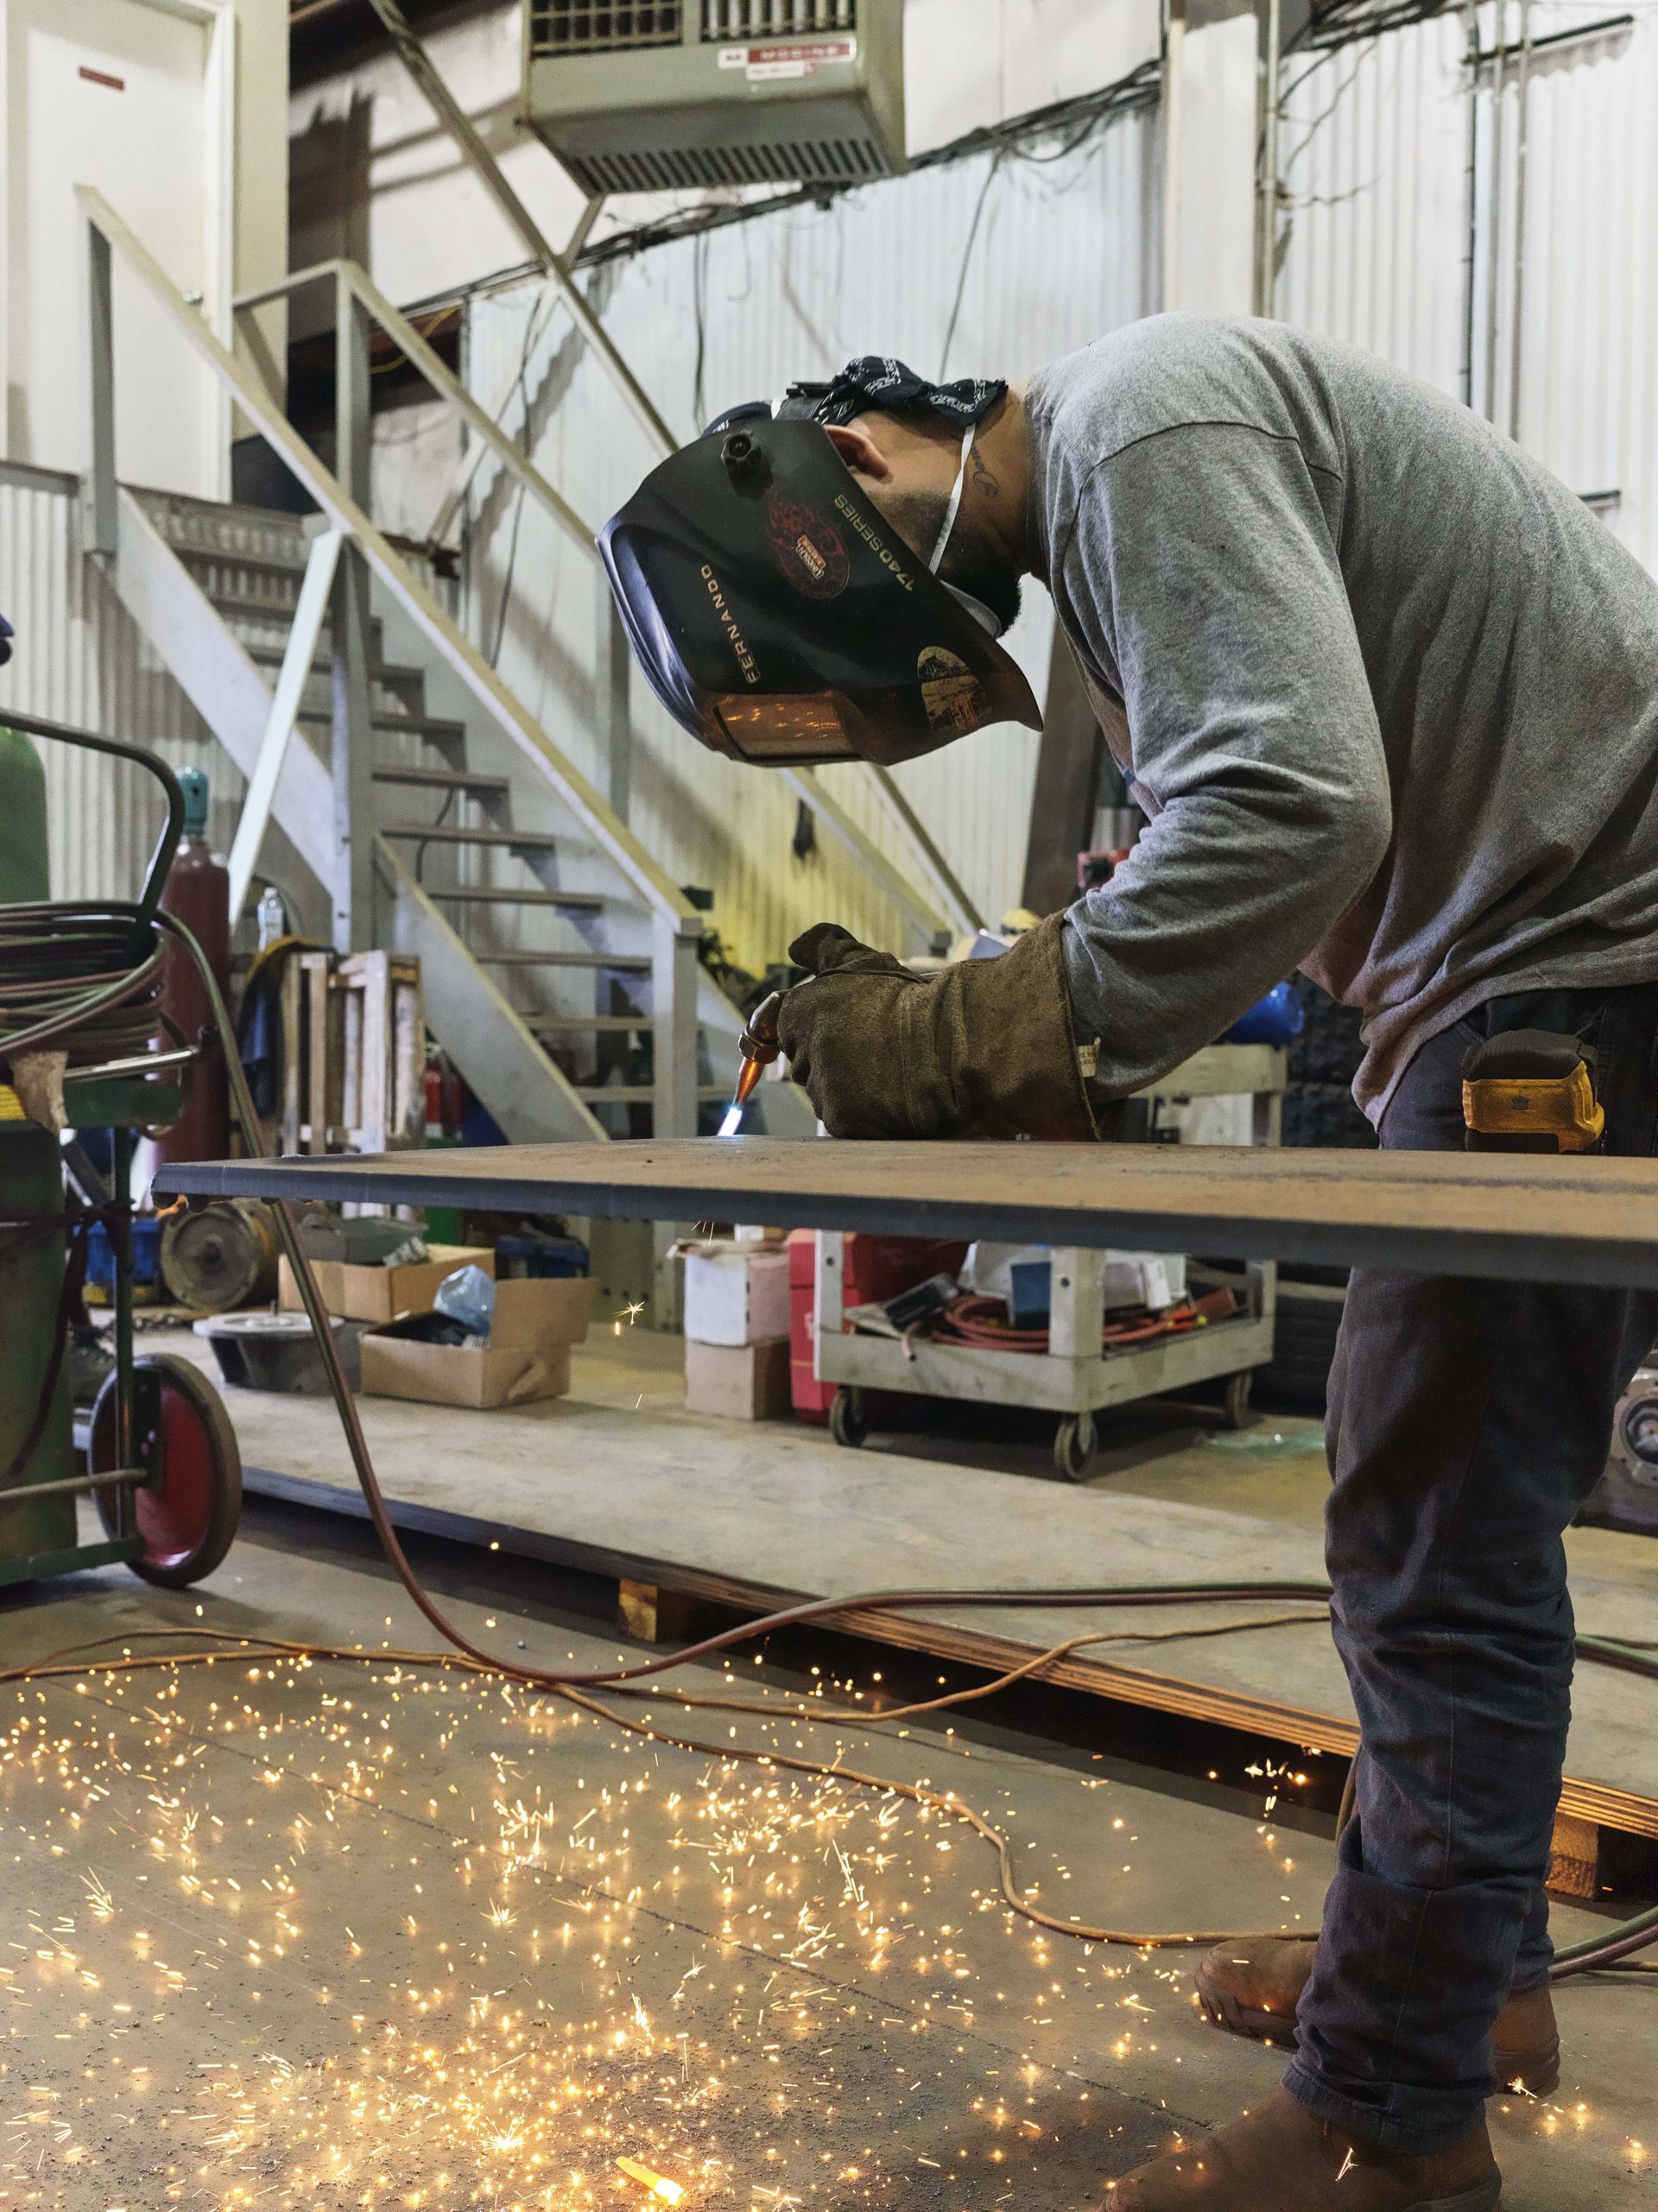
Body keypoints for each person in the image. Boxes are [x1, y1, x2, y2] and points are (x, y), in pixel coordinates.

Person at [601, 316, 1658, 2210]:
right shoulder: (1124, 485)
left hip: (1571, 972)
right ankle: (1459, 1989)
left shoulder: (1130, 430)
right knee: (1446, 1521)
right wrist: (1059, 975)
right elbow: (1294, 817)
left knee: (1432, 1537)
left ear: (854, 470)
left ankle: (1391, 2119)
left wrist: (960, 1035)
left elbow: (1296, 809)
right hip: (1521, 964)